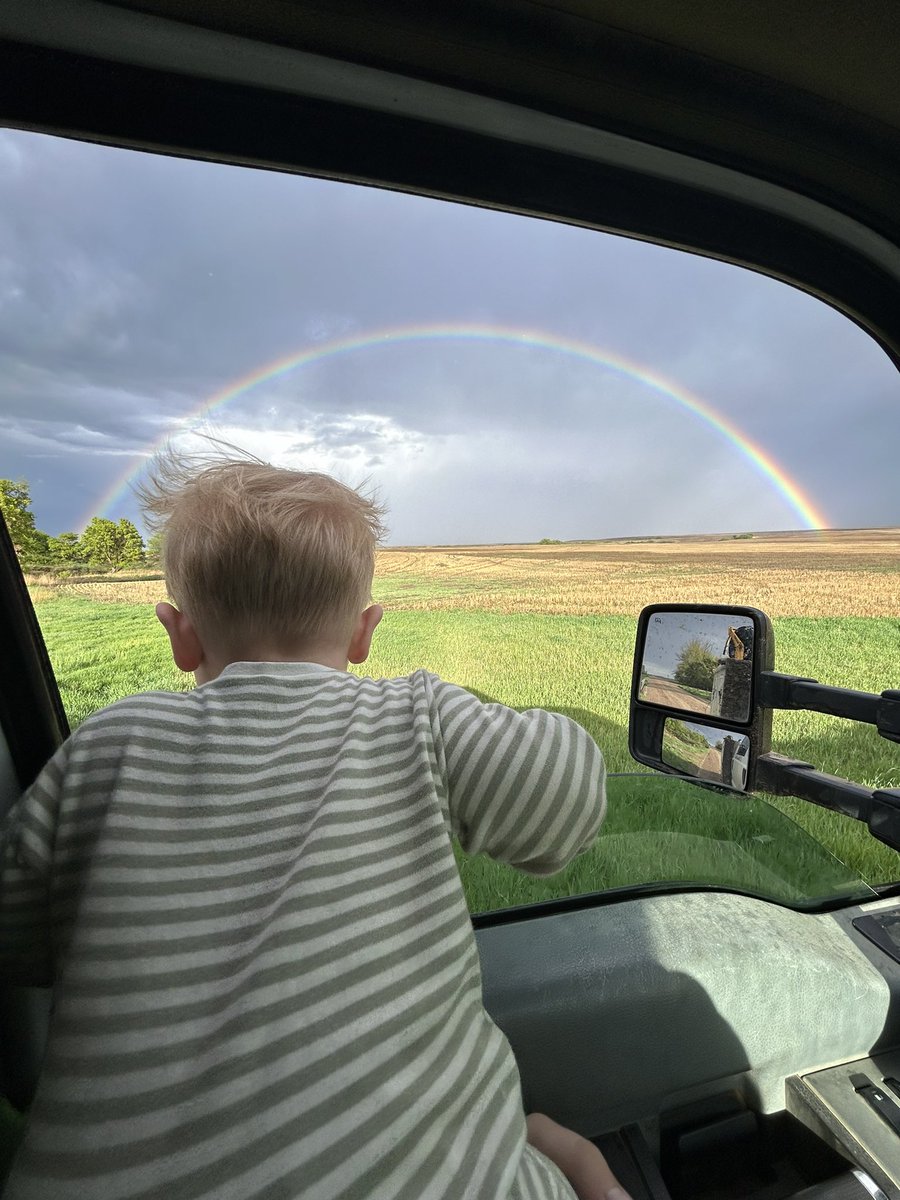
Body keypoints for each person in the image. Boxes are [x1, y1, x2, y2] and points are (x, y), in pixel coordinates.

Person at [0, 450, 629, 1200]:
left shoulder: (107, 744)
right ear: (364, 633)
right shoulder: (409, 716)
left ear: (179, 634)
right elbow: (568, 803)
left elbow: (17, 938)